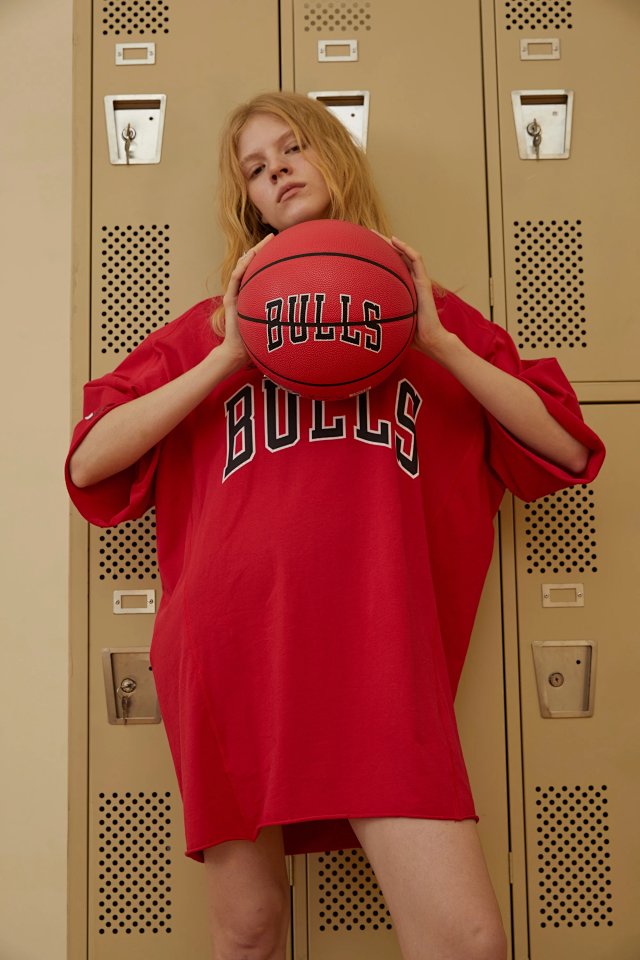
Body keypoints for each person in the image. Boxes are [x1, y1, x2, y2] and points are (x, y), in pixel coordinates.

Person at [66, 91, 605, 960]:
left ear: (335, 156)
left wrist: (435, 339)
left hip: (376, 647)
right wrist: (230, 354)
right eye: (255, 167)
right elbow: (91, 461)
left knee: (467, 941)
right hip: (231, 646)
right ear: (246, 200)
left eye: (292, 148)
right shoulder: (210, 329)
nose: (277, 170)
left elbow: (568, 449)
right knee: (248, 931)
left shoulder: (428, 317)